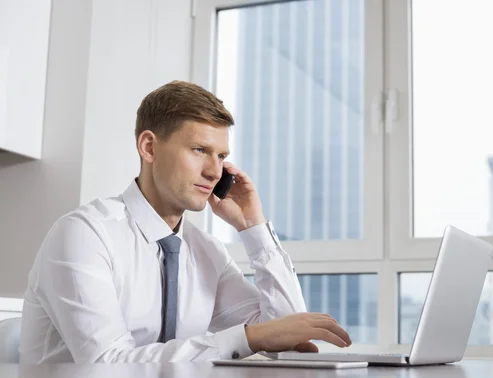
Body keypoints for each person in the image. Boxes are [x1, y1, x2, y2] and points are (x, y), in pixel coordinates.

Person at [19, 81, 352, 363]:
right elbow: (109, 364)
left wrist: (254, 228)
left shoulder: (206, 251)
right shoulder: (84, 235)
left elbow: (288, 337)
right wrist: (250, 338)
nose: (214, 171)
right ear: (149, 147)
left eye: (221, 156)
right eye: (198, 150)